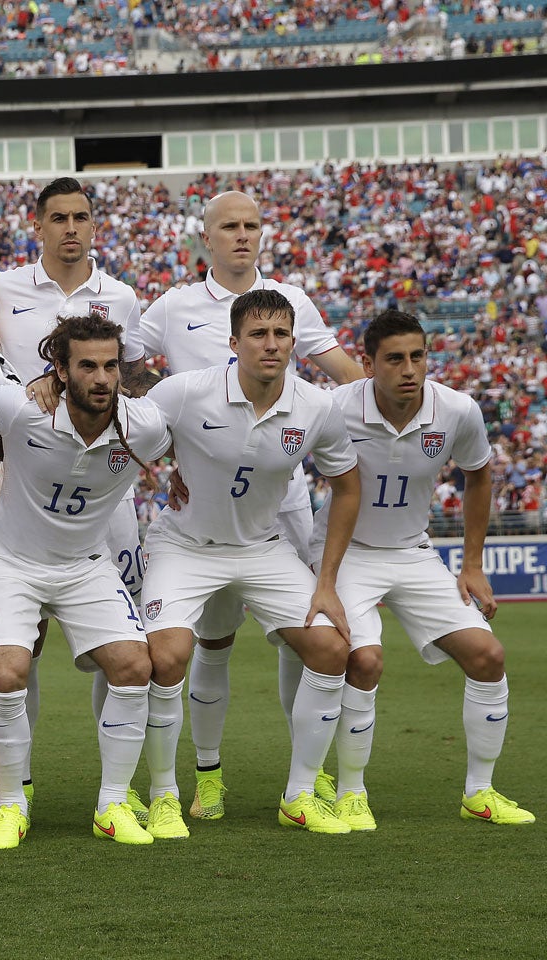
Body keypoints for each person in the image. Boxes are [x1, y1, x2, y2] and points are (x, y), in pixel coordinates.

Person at [133, 190, 364, 821]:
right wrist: (173, 448)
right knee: (208, 645)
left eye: (252, 226)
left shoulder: (292, 303)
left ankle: (304, 781)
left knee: (311, 644)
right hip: (198, 506)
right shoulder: (176, 308)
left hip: (278, 505)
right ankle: (191, 782)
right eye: (229, 226)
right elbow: (120, 374)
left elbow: (342, 372)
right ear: (206, 237)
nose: (242, 235)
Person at [312, 309, 534, 829]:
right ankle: (351, 792)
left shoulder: (456, 410)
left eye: (418, 356)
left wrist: (472, 565)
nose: (409, 369)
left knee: (488, 656)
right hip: (349, 555)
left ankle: (480, 791)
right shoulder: (332, 408)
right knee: (363, 661)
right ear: (367, 364)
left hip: (414, 552)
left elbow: (479, 475)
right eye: (395, 359)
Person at [0, 176, 148, 816]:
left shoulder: (122, 298)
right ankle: (17, 787)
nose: (71, 228)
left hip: (106, 500)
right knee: (25, 648)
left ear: (93, 226)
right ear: (39, 226)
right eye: (59, 218)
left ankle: (118, 793)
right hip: (32, 480)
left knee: (121, 650)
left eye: (81, 217)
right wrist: (39, 388)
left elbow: (129, 379)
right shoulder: (2, 289)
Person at [0, 314, 167, 849]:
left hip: (84, 565)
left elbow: (193, 434)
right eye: (87, 366)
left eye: (110, 366)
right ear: (60, 369)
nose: (102, 378)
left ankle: (113, 804)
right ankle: (12, 806)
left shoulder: (142, 426)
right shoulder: (19, 410)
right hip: (11, 563)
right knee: (8, 673)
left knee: (134, 666)